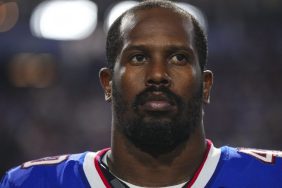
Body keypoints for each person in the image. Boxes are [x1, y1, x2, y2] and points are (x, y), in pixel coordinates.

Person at [1, 0, 282, 187]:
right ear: (107, 83)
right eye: (137, 58)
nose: (158, 74)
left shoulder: (273, 176)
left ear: (206, 85)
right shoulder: (31, 183)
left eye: (179, 58)